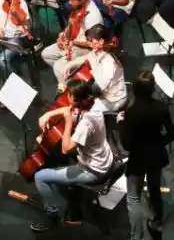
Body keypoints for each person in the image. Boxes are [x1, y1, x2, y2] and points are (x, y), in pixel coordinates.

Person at [31, 79, 114, 231]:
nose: (67, 97)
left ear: (77, 100)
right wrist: (49, 114)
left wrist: (68, 121)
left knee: (40, 177)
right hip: (104, 159)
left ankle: (52, 215)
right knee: (61, 156)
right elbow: (70, 110)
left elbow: (66, 148)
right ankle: (73, 199)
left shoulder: (86, 124)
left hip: (93, 171)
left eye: (69, 95)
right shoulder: (95, 106)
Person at [118, 70, 174, 240]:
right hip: (156, 156)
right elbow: (172, 134)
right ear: (152, 89)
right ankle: (156, 223)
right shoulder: (161, 107)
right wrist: (158, 143)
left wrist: (121, 124)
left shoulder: (131, 113)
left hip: (138, 158)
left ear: (135, 90)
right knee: (154, 190)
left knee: (133, 198)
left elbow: (127, 145)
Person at [42, 0, 104, 90]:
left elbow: (92, 43)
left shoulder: (93, 17)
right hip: (73, 40)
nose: (70, 3)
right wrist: (62, 35)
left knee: (58, 66)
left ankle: (69, 89)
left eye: (72, 0)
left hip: (85, 47)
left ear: (83, 0)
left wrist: (72, 42)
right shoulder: (79, 7)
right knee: (46, 54)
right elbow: (72, 23)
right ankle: (71, 75)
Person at [58, 25, 127, 112]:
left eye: (91, 40)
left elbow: (100, 87)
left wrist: (76, 90)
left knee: (86, 112)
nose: (88, 43)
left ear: (101, 41)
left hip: (113, 100)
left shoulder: (109, 62)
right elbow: (86, 57)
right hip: (105, 91)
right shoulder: (98, 50)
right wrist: (70, 65)